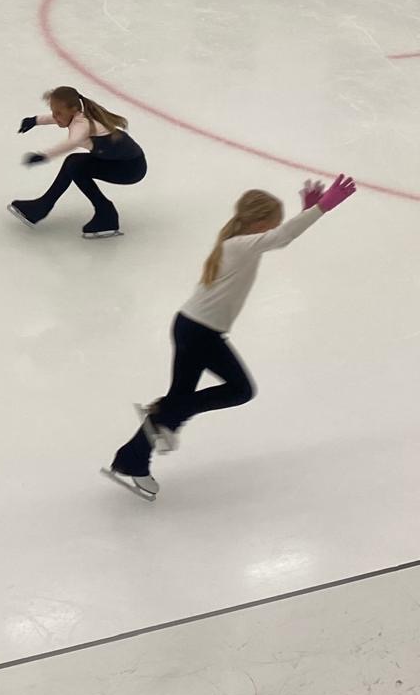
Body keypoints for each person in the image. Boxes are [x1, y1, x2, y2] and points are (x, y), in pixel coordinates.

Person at [103, 175, 356, 501]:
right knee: (240, 390)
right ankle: (161, 417)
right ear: (258, 223)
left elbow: (279, 237)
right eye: (272, 223)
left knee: (180, 400)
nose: (273, 230)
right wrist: (320, 209)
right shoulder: (239, 246)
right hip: (201, 332)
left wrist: (305, 213)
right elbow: (281, 237)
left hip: (191, 326)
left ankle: (137, 452)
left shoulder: (240, 243)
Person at [10, 86, 146, 238]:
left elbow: (73, 142)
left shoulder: (81, 124)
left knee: (75, 166)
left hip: (130, 169)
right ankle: (42, 206)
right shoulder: (77, 116)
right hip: (119, 161)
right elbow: (57, 119)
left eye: (58, 113)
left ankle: (106, 213)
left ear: (73, 110)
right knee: (74, 163)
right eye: (53, 112)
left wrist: (44, 156)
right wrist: (35, 120)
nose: (55, 116)